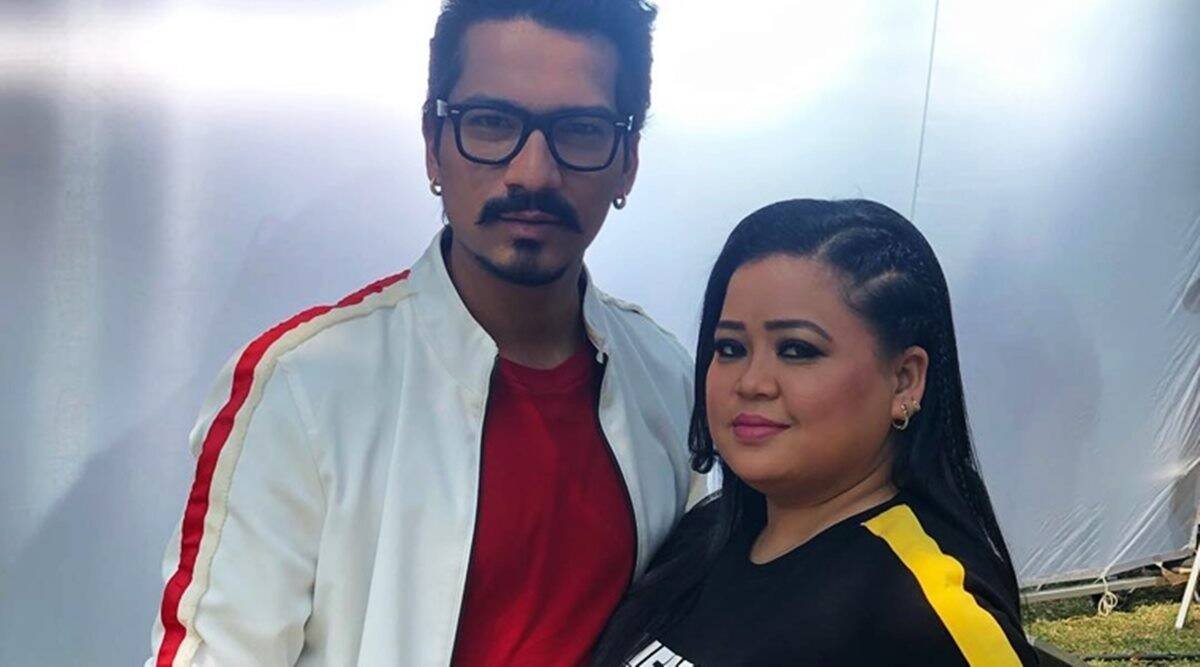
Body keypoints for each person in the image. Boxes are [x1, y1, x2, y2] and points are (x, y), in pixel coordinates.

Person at [148, 2, 698, 665]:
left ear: (628, 162)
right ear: (433, 145)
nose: (532, 172)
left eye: (580, 131)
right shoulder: (301, 387)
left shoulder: (666, 379)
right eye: (491, 123)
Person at [593, 199, 1038, 666]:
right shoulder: (706, 534)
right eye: (730, 348)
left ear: (904, 380)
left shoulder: (926, 608)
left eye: (797, 350)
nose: (751, 382)